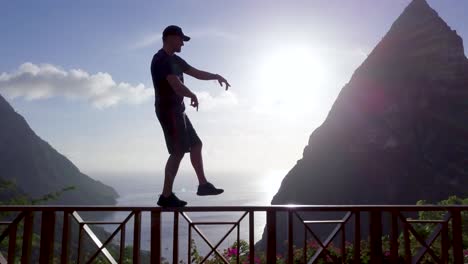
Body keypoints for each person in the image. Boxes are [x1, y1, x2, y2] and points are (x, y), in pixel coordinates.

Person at [151, 25, 231, 207]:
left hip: (178, 110)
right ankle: (166, 196)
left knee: (196, 144)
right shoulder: (161, 59)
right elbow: (174, 84)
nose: (183, 44)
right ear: (170, 38)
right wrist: (192, 95)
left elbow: (195, 73)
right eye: (181, 39)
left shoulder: (175, 60)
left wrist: (215, 76)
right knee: (178, 151)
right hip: (168, 111)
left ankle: (203, 185)